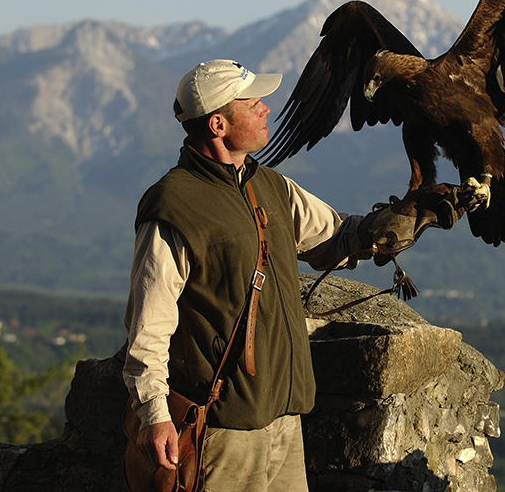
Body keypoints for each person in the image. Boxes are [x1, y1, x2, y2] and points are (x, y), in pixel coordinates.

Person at [122, 59, 372, 491]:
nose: (266, 110)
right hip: (223, 431)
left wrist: (395, 224)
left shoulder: (269, 185)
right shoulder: (173, 205)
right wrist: (154, 414)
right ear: (218, 124)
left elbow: (335, 236)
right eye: (253, 103)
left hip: (284, 419)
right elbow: (149, 323)